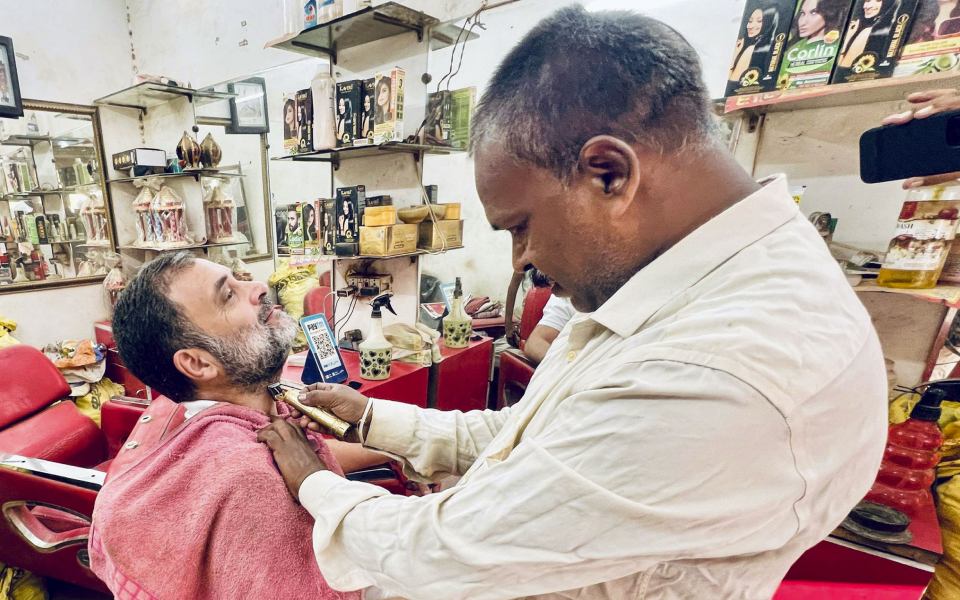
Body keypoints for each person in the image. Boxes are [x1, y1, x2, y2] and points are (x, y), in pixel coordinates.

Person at [258, 7, 887, 598]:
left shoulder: (723, 364)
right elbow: (538, 439)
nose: (520, 261)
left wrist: (317, 487)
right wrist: (373, 420)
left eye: (519, 225)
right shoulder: (680, 291)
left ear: (608, 174)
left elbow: (451, 548)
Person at [91, 253, 386, 599]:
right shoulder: (248, 479)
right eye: (228, 294)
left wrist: (387, 443)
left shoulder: (201, 417)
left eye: (239, 279)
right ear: (198, 363)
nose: (259, 287)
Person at [838, 0, 898, 68]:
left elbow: (844, 67)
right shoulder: (856, 25)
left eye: (877, 1)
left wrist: (848, 39)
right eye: (867, 1)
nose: (868, 6)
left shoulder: (868, 32)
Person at [728, 1, 768, 84]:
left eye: (759, 21)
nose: (751, 26)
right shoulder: (743, 44)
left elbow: (732, 83)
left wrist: (735, 53)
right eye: (749, 21)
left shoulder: (751, 49)